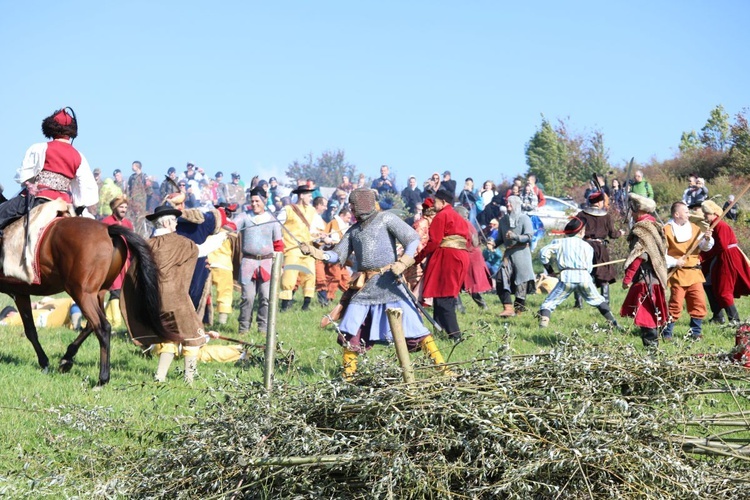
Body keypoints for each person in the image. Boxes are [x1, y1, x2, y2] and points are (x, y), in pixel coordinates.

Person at [299, 188, 452, 379]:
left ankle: (444, 370)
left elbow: (412, 239)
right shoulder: (354, 231)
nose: (351, 209)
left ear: (361, 204)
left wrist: (403, 262)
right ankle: (348, 377)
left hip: (391, 284)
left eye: (353, 205)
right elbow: (337, 255)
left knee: (417, 330)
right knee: (350, 330)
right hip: (365, 288)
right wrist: (318, 253)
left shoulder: (386, 219)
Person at [123, 204, 226, 383]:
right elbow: (200, 251)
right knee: (193, 335)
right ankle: (189, 379)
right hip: (176, 300)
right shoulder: (179, 242)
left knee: (169, 337)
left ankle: (160, 377)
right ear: (168, 222)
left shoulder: (147, 245)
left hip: (155, 302)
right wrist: (220, 239)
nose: (177, 224)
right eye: (175, 221)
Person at [0, 108, 98, 237]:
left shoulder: (40, 148)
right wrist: (78, 205)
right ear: (72, 131)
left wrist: (30, 185)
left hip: (39, 199)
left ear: (50, 128)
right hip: (65, 203)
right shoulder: (79, 156)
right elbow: (87, 189)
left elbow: (24, 175)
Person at [538, 217, 621, 329]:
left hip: (567, 278)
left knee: (548, 303)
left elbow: (543, 254)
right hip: (584, 278)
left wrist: (550, 271)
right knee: (598, 300)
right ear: (581, 232)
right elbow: (589, 267)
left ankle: (543, 327)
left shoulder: (560, 242)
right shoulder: (587, 246)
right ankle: (615, 324)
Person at [415, 190, 470, 340]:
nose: (433, 204)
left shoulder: (442, 216)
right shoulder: (458, 216)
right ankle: (439, 331)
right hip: (460, 257)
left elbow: (434, 242)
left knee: (445, 297)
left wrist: (418, 258)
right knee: (442, 296)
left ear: (443, 202)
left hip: (448, 258)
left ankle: (456, 336)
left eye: (436, 201)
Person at [233, 188, 284, 334]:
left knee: (266, 298)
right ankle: (244, 328)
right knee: (247, 298)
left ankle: (263, 328)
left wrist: (280, 265)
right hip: (248, 262)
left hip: (267, 263)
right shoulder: (244, 217)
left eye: (257, 201)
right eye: (252, 201)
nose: (254, 204)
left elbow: (279, 245)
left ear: (264, 201)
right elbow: (231, 226)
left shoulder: (273, 220)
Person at [620, 193, 668, 347]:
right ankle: (653, 347)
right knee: (653, 313)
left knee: (647, 315)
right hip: (656, 277)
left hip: (646, 279)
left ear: (638, 210)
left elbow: (640, 256)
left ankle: (651, 350)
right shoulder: (656, 226)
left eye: (632, 211)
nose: (631, 214)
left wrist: (628, 278)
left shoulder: (642, 229)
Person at [662, 201, 714, 341]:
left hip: (694, 272)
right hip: (678, 273)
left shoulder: (695, 228)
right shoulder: (666, 230)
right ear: (676, 214)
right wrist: (675, 261)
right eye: (685, 212)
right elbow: (660, 254)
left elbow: (704, 247)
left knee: (698, 302)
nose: (688, 214)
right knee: (675, 304)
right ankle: (667, 333)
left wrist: (707, 239)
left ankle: (695, 332)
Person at [700, 199, 750, 325]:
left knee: (724, 290)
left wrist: (704, 255)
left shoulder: (720, 225)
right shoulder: (713, 225)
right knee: (708, 283)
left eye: (706, 213)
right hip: (720, 258)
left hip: (727, 258)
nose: (704, 216)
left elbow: (721, 245)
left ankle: (735, 321)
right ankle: (718, 316)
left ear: (713, 213)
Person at [576, 191, 625, 305]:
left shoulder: (581, 215)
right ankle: (605, 302)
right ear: (598, 203)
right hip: (599, 248)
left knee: (581, 273)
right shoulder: (606, 216)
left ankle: (579, 302)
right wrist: (620, 233)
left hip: (584, 246)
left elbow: (573, 229)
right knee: (603, 274)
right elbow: (613, 234)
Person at [279, 185, 318, 311]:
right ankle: (284, 306)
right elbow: (277, 225)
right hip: (292, 248)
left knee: (310, 276)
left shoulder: (312, 211)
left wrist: (320, 235)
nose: (311, 198)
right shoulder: (288, 209)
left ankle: (306, 305)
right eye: (309, 195)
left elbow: (312, 229)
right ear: (301, 195)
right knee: (289, 276)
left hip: (307, 248)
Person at [495, 195, 536, 317]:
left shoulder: (524, 219)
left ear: (516, 205)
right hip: (508, 255)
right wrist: (493, 243)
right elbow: (500, 238)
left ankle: (518, 312)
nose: (508, 205)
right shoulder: (503, 220)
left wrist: (516, 237)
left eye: (510, 203)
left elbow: (529, 236)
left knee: (521, 283)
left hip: (521, 253)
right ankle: (508, 308)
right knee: (500, 279)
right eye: (507, 203)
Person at [101, 195, 134, 330]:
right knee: (115, 290)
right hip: (112, 261)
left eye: (125, 207)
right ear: (115, 208)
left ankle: (105, 319)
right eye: (121, 207)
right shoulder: (106, 222)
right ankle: (116, 322)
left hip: (126, 262)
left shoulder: (128, 224)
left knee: (123, 292)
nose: (124, 210)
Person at [207, 205, 239, 326]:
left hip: (208, 262)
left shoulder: (208, 224)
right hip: (223, 264)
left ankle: (206, 319)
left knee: (205, 293)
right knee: (224, 294)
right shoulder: (232, 227)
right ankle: (222, 322)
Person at [457, 205, 493, 310]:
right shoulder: (467, 224)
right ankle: (459, 306)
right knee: (459, 282)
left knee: (469, 284)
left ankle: (481, 306)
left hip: (470, 257)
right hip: (471, 255)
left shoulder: (463, 225)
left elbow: (466, 243)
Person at [127, 160, 153, 237]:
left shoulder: (144, 176)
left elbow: (149, 189)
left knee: (140, 219)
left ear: (137, 166)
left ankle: (141, 234)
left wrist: (147, 199)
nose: (132, 167)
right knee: (133, 218)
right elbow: (129, 188)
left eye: (133, 165)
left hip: (141, 202)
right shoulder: (132, 177)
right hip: (132, 202)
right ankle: (134, 233)